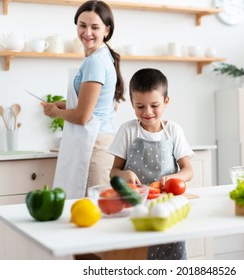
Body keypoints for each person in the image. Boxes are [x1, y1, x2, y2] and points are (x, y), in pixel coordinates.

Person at [108, 68, 194, 260]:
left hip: (168, 206)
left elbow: (188, 170)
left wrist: (173, 178)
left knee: (171, 254)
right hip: (135, 206)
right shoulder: (127, 130)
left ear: (166, 101)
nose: (147, 112)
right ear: (132, 104)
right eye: (140, 106)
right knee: (137, 254)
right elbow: (114, 172)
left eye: (154, 105)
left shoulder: (173, 130)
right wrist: (124, 174)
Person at [42, 0, 124, 199]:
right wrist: (63, 105)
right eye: (82, 25)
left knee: (94, 211)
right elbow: (91, 105)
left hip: (95, 145)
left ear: (106, 30)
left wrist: (55, 112)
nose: (87, 32)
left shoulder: (95, 62)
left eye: (95, 27)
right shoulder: (100, 56)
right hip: (99, 141)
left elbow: (82, 117)